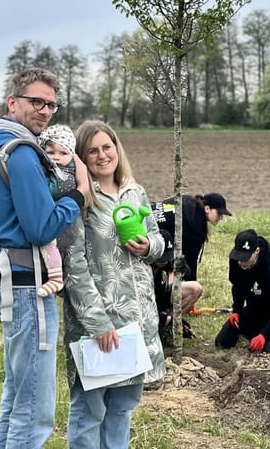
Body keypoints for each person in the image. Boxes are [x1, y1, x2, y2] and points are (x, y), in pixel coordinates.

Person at [0, 67, 89, 448]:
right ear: (13, 102)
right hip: (27, 287)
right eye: (36, 101)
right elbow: (41, 227)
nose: (45, 111)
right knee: (34, 410)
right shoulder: (21, 153)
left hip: (9, 276)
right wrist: (78, 196)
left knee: (17, 395)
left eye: (51, 104)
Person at [62, 120, 166, 449]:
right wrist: (97, 322)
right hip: (100, 323)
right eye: (92, 150)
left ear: (117, 149)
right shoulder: (78, 199)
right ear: (81, 158)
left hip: (138, 322)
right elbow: (73, 264)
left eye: (107, 147)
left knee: (122, 408)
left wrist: (149, 247)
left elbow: (158, 240)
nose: (102, 155)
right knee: (89, 410)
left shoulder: (135, 191)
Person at [149, 193, 230, 335]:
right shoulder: (195, 225)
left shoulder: (186, 201)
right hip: (151, 248)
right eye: (219, 213)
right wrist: (190, 300)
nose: (221, 218)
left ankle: (164, 316)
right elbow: (191, 262)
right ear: (207, 209)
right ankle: (168, 320)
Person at [35, 124, 79, 297]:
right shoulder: (56, 171)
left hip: (63, 227)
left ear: (72, 155)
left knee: (49, 246)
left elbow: (51, 190)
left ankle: (55, 279)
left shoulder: (66, 175)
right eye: (51, 153)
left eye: (63, 153)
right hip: (62, 223)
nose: (56, 158)